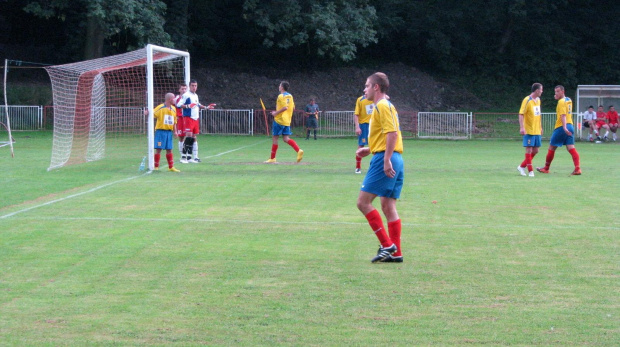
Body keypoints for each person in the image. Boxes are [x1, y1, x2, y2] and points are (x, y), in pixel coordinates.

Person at [356, 72, 404, 263]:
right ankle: (396, 252)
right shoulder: (386, 105)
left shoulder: (382, 105)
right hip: (396, 158)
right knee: (388, 205)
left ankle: (387, 245)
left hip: (387, 158)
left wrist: (385, 159)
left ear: (376, 87)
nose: (364, 89)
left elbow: (392, 133)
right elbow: (388, 134)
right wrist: (370, 148)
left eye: (367, 85)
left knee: (363, 203)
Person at [536, 85, 581, 175]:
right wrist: (557, 97)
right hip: (570, 126)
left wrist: (564, 127)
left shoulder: (561, 102)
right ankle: (577, 169)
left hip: (561, 127)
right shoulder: (568, 99)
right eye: (555, 91)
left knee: (552, 147)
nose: (555, 93)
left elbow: (563, 115)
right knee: (571, 148)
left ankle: (546, 168)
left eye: (557, 91)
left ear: (562, 92)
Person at [264, 81, 304, 163]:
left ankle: (272, 158)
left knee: (275, 138)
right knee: (286, 138)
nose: (279, 87)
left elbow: (285, 107)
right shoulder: (290, 96)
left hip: (279, 120)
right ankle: (298, 150)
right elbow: (292, 108)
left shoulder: (281, 96)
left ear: (282, 87)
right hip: (287, 121)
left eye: (279, 85)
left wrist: (275, 113)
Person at [176, 80, 214, 164]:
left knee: (193, 137)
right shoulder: (186, 95)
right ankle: (183, 157)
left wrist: (207, 107)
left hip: (195, 118)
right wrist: (187, 106)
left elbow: (198, 104)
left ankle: (189, 157)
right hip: (188, 117)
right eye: (192, 85)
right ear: (189, 86)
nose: (194, 87)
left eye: (195, 85)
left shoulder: (195, 95)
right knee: (188, 136)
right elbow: (178, 105)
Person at [517, 83, 543, 177]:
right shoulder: (527, 100)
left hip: (536, 129)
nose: (542, 91)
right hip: (529, 129)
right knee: (529, 149)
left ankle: (522, 166)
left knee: (536, 150)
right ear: (537, 90)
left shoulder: (538, 100)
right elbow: (521, 114)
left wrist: (540, 126)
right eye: (541, 90)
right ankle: (530, 171)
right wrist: (522, 127)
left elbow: (538, 114)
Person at [152, 93, 181, 172]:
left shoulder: (173, 109)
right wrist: (147, 113)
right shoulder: (160, 107)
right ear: (169, 99)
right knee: (159, 148)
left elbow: (174, 121)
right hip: (160, 132)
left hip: (169, 132)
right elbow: (152, 113)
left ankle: (171, 167)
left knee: (169, 149)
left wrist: (175, 131)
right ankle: (156, 166)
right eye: (174, 98)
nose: (175, 100)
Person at [354, 94, 374, 174]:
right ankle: (358, 167)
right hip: (364, 125)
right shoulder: (360, 100)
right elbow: (356, 114)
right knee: (361, 145)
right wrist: (357, 127)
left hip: (374, 125)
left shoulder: (376, 98)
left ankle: (374, 167)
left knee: (376, 146)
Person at [174, 83, 188, 157]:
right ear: (179, 90)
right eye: (182, 89)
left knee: (190, 136)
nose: (184, 90)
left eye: (185, 89)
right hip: (180, 119)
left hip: (188, 118)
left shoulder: (189, 97)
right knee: (181, 137)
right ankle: (182, 155)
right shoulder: (177, 98)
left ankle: (191, 155)